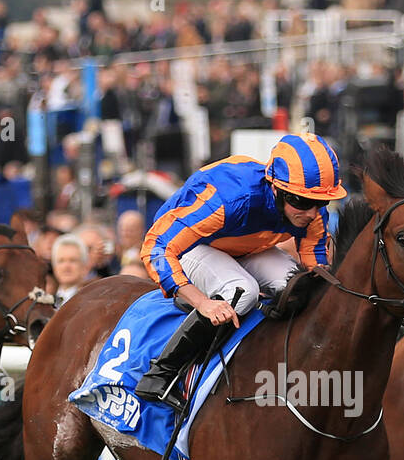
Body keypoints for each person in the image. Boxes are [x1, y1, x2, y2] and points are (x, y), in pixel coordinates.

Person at [134, 132, 341, 411]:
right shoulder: (230, 199)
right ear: (276, 189)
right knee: (242, 291)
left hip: (244, 246)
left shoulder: (311, 212)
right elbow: (156, 247)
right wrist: (203, 302)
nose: (312, 213)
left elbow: (316, 266)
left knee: (294, 288)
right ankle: (161, 374)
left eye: (321, 204)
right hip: (191, 246)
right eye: (301, 202)